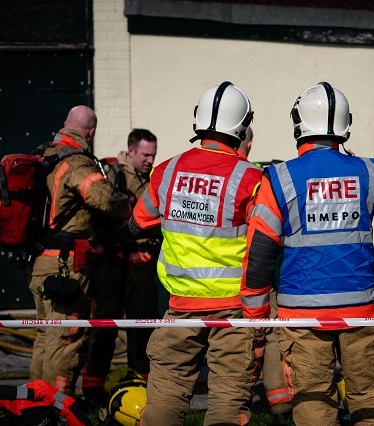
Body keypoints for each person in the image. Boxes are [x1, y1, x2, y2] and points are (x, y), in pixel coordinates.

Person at [241, 82, 374, 426]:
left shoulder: (279, 178)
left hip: (302, 314)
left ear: (298, 124)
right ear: (345, 126)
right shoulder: (369, 170)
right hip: (360, 310)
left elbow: (259, 253)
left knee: (313, 403)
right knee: (372, 401)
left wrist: (256, 317)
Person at [129, 81, 264, 425]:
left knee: (165, 394)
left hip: (180, 305)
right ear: (243, 127)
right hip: (233, 309)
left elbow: (139, 222)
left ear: (198, 121)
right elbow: (268, 241)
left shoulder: (167, 170)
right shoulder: (252, 178)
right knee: (228, 400)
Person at [28, 105, 131, 396]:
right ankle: (57, 406)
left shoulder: (42, 155)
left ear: (65, 124)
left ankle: (34, 403)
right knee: (67, 339)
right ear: (92, 132)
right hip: (66, 268)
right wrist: (126, 207)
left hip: (38, 265)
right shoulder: (75, 163)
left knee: (45, 335)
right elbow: (106, 199)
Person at [82, 128, 161, 405]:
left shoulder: (150, 180)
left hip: (142, 269)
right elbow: (96, 221)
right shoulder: (111, 175)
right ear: (131, 152)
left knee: (142, 330)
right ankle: (92, 390)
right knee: (104, 328)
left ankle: (140, 388)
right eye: (145, 154)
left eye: (153, 154)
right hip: (112, 266)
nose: (150, 159)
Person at [237, 128, 294, 422]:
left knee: (232, 345)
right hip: (257, 280)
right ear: (248, 142)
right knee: (270, 338)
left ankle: (236, 409)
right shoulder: (260, 179)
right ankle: (281, 407)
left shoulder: (223, 175)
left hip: (211, 284)